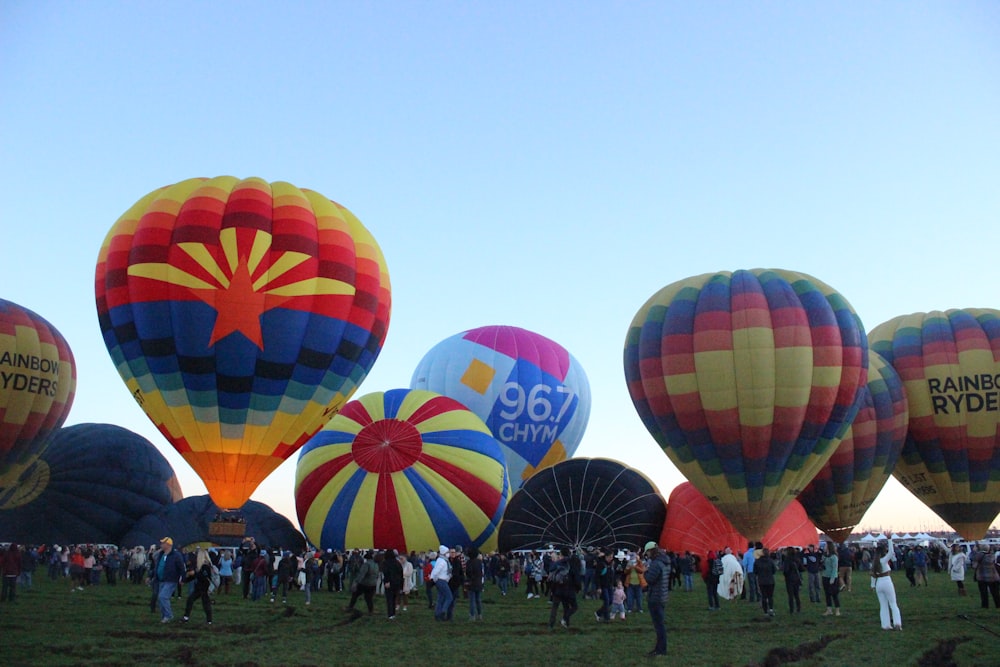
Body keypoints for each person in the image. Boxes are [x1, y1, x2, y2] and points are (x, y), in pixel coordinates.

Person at [643, 541, 670, 657]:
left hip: (655, 597)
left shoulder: (656, 564)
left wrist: (645, 572)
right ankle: (659, 648)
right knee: (660, 624)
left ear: (651, 551)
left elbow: (650, 579)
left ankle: (661, 650)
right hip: (662, 596)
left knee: (659, 626)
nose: (647, 555)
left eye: (647, 552)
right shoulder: (665, 562)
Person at [153, 537, 186, 623]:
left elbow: (182, 568)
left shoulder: (176, 555)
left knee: (163, 597)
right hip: (161, 580)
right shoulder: (161, 554)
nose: (161, 545)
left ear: (168, 544)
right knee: (160, 599)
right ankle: (164, 616)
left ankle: (169, 615)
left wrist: (183, 578)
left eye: (163, 543)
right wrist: (151, 576)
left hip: (171, 580)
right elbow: (157, 566)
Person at [870, 541, 902, 630]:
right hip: (887, 582)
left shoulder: (874, 562)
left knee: (883, 605)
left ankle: (885, 625)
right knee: (893, 604)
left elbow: (873, 575)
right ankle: (897, 623)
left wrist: (872, 585)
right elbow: (891, 552)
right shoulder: (883, 560)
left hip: (878, 584)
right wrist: (889, 539)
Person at [547, 546, 580, 629]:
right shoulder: (572, 562)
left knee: (555, 606)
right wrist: (578, 587)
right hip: (568, 588)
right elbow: (576, 576)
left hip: (557, 588)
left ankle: (551, 624)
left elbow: (551, 570)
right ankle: (565, 621)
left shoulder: (558, 563)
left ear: (561, 554)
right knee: (568, 607)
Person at [182, 549, 214, 625]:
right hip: (199, 587)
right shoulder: (200, 566)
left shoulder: (206, 566)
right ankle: (186, 617)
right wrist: (185, 580)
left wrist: (195, 573)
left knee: (205, 603)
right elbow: (195, 576)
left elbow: (205, 577)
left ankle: (209, 620)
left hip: (203, 588)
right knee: (192, 600)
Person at [347, 550, 379, 615]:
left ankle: (350, 607)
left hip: (364, 583)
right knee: (369, 598)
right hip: (373, 584)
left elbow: (362, 574)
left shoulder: (366, 564)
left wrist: (356, 582)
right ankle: (371, 610)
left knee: (355, 595)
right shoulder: (376, 564)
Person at [431, 545, 453, 621]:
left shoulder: (441, 560)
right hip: (442, 581)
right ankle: (443, 611)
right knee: (449, 597)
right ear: (444, 553)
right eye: (447, 552)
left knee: (440, 598)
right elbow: (436, 571)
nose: (449, 553)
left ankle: (437, 614)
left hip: (440, 580)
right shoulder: (443, 561)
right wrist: (434, 578)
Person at [381, 549, 404, 620]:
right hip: (397, 582)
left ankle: (390, 614)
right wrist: (401, 585)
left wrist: (387, 581)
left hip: (389, 582)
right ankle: (393, 614)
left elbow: (386, 572)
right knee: (394, 598)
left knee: (389, 599)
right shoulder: (397, 562)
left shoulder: (385, 563)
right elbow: (401, 573)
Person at [755, 547, 776, 617]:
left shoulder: (757, 561)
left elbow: (755, 571)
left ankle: (765, 612)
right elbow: (774, 571)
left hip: (761, 581)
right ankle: (771, 609)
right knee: (770, 596)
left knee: (764, 596)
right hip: (770, 581)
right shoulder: (771, 561)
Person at [782, 547, 802, 614]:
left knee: (790, 595)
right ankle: (798, 608)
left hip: (789, 579)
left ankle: (791, 609)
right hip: (796, 578)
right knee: (797, 595)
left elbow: (786, 570)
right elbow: (801, 568)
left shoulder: (787, 560)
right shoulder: (797, 559)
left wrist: (785, 575)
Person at [822, 542, 841, 616]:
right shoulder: (824, 556)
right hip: (825, 576)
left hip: (832, 577)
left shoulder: (834, 557)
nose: (824, 547)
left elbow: (834, 568)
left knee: (834, 594)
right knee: (827, 594)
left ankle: (837, 610)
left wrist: (832, 579)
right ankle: (829, 609)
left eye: (826, 545)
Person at [466, 547, 484, 621]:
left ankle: (472, 615)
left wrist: (470, 578)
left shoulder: (469, 562)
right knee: (478, 600)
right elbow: (481, 572)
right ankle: (480, 614)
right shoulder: (479, 562)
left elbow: (468, 572)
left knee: (472, 600)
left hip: (472, 583)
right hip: (478, 582)